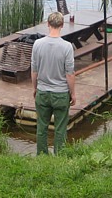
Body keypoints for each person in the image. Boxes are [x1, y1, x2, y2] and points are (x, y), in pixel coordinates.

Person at [31, 11, 76, 155]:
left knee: (41, 128)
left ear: (48, 24)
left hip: (42, 92)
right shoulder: (67, 46)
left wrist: (34, 88)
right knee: (60, 128)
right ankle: (59, 155)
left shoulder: (37, 44)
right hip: (61, 93)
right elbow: (70, 73)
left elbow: (34, 71)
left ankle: (42, 155)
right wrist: (73, 93)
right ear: (62, 25)